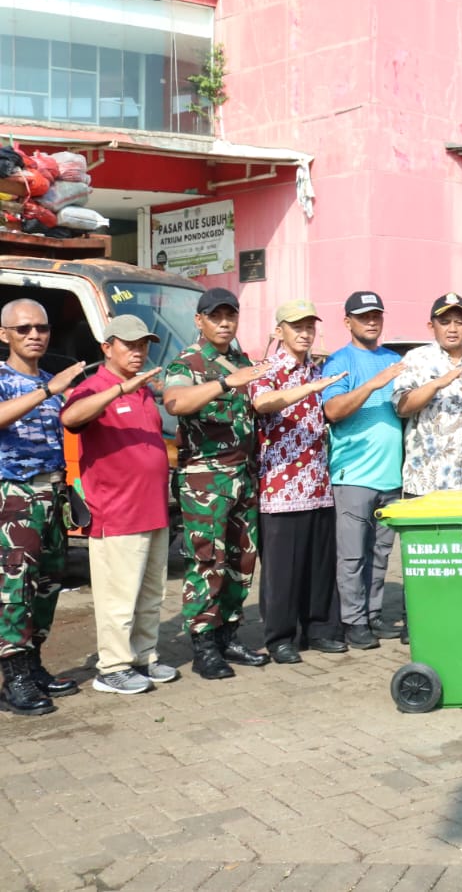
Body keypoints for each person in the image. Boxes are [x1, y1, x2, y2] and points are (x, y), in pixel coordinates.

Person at [163, 287, 275, 680]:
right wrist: (227, 383)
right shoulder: (188, 362)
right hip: (205, 482)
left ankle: (228, 634)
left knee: (242, 561)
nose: (225, 323)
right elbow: (175, 403)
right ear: (200, 321)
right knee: (208, 560)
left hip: (242, 477)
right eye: (216, 316)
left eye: (231, 315)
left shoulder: (241, 361)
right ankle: (204, 644)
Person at [61, 315, 172, 695]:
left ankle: (143, 655)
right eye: (130, 344)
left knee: (150, 592)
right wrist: (120, 390)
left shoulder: (142, 390)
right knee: (118, 596)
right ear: (107, 348)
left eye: (143, 344)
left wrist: (132, 389)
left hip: (153, 508)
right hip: (117, 512)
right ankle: (112, 667)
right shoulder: (95, 387)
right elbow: (71, 417)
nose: (139, 351)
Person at [248, 301, 348, 665]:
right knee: (282, 569)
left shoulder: (316, 368)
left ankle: (320, 628)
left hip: (317, 483)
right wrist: (309, 389)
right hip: (281, 486)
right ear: (279, 332)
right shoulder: (267, 370)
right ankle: (280, 637)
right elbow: (263, 404)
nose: (304, 333)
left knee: (319, 564)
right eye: (296, 326)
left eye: (309, 326)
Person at [0, 300, 85, 714]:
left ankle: (33, 664)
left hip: (53, 494)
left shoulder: (52, 380)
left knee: (49, 584)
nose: (35, 335)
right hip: (14, 495)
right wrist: (48, 391)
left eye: (42, 328)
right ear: (5, 335)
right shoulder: (6, 378)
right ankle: (12, 676)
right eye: (23, 329)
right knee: (14, 589)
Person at [321, 291, 406, 649]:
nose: (371, 321)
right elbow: (333, 410)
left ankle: (372, 615)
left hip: (391, 476)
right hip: (353, 476)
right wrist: (373, 384)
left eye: (376, 315)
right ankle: (352, 621)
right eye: (362, 316)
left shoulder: (394, 360)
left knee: (380, 552)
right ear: (348, 322)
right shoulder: (340, 362)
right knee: (353, 554)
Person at [393, 293, 462, 496]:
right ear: (431, 326)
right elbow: (402, 408)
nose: (452, 329)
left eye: (459, 322)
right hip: (427, 483)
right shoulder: (416, 359)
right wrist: (436, 384)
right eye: (445, 322)